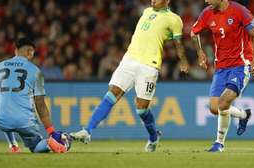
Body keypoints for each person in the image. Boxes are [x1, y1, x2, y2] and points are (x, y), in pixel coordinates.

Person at [70, 0, 189, 152]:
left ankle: (153, 136)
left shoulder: (174, 19)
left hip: (149, 65)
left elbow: (178, 44)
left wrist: (183, 61)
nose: (153, 0)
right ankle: (87, 131)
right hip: (129, 60)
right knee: (112, 94)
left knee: (141, 109)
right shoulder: (147, 11)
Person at [191, 0, 254, 152]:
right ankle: (243, 115)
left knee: (224, 102)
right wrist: (199, 52)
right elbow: (193, 33)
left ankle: (219, 143)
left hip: (241, 64)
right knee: (214, 108)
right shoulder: (207, 12)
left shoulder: (240, 11)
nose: (206, 1)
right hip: (221, 67)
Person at [0, 37, 71, 153]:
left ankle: (13, 146)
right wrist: (51, 131)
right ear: (30, 52)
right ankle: (49, 143)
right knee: (35, 146)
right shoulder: (35, 71)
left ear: (16, 50)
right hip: (24, 121)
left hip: (1, 120)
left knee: (1, 107)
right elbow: (40, 104)